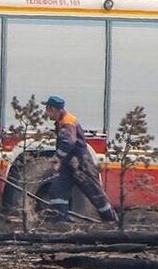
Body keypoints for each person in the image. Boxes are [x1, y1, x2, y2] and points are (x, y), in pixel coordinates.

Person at [42, 95, 116, 223]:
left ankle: (112, 222)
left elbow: (69, 142)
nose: (46, 113)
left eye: (47, 109)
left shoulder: (67, 122)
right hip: (69, 165)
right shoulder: (62, 121)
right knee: (57, 191)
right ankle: (61, 222)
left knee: (96, 195)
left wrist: (57, 157)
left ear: (53, 109)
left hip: (81, 165)